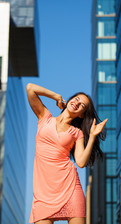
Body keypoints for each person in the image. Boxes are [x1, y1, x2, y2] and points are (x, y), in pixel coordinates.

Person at [26, 83, 108, 224]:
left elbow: (81, 162)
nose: (77, 103)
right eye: (76, 99)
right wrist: (55, 96)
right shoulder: (45, 118)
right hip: (43, 193)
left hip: (69, 187)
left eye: (82, 105)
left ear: (82, 115)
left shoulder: (77, 133)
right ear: (70, 99)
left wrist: (93, 136)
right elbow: (30, 88)